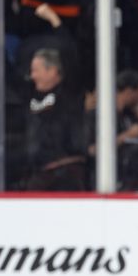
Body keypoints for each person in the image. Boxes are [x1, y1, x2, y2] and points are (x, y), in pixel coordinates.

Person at [25, 48, 86, 190]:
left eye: (36, 71)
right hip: (39, 172)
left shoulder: (70, 94)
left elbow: (72, 56)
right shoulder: (30, 94)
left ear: (52, 71)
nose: (32, 76)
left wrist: (58, 27)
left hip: (65, 172)